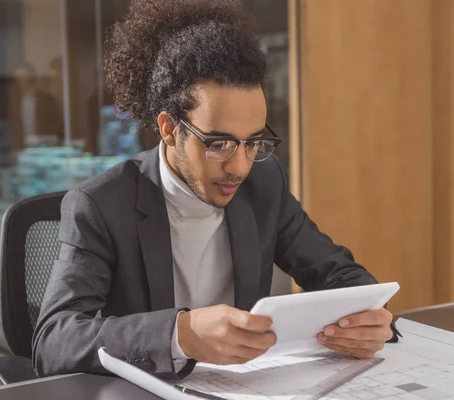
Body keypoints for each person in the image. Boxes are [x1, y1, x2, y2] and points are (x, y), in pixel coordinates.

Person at [32, 0, 397, 380]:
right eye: (217, 143)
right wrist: (181, 335)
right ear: (170, 129)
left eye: (253, 142)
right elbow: (54, 341)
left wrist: (371, 322)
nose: (239, 167)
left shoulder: (263, 182)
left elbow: (340, 275)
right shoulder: (101, 205)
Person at [10, 62, 63, 149]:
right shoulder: (14, 102)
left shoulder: (48, 100)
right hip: (20, 149)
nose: (22, 81)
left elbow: (57, 127)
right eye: (19, 78)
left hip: (43, 148)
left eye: (25, 77)